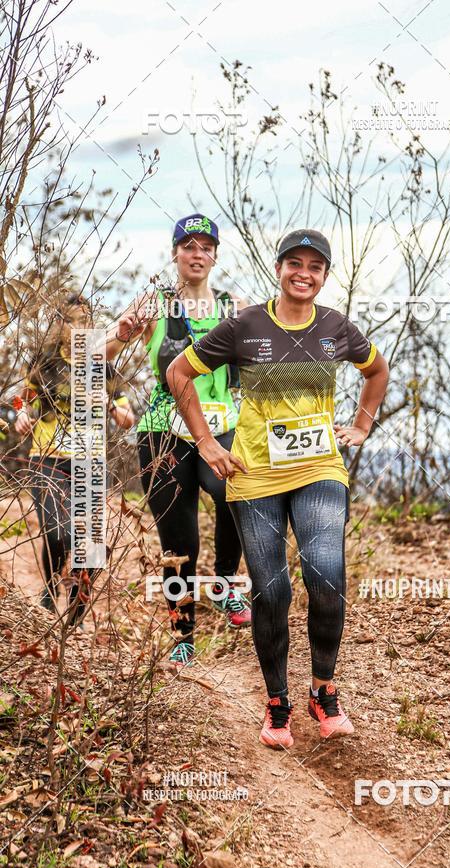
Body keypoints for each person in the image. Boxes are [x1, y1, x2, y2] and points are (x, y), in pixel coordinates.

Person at [167, 229, 389, 748]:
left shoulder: (336, 327)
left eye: (315, 266)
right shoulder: (244, 324)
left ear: (325, 275)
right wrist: (206, 443)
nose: (304, 274)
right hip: (255, 475)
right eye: (295, 263)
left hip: (319, 469)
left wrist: (361, 424)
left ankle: (324, 691)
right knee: (272, 590)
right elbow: (180, 373)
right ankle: (277, 704)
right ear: (279, 267)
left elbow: (375, 371)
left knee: (326, 576)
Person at [106, 214, 251, 671]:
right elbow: (99, 352)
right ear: (175, 253)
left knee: (233, 494)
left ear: (215, 256)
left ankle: (227, 580)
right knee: (178, 536)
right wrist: (122, 332)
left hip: (222, 423)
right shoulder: (155, 303)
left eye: (205, 246)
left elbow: (264, 355)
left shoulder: (235, 305)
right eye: (188, 246)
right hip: (162, 430)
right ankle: (182, 634)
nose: (197, 254)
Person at [14, 293, 134, 624]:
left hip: (90, 461)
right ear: (59, 324)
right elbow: (20, 400)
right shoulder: (44, 362)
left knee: (92, 546)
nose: (78, 327)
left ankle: (77, 605)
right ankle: (51, 585)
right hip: (48, 457)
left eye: (84, 321)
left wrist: (109, 405)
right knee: (57, 532)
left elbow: (128, 418)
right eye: (71, 320)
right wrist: (21, 415)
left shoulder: (102, 365)